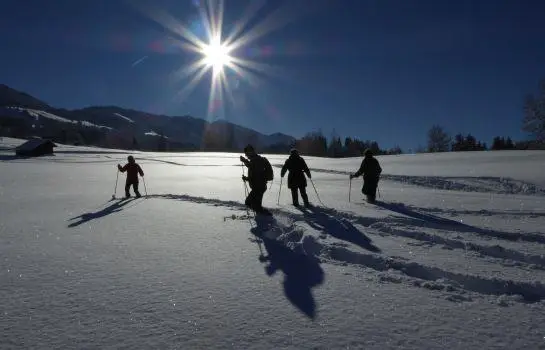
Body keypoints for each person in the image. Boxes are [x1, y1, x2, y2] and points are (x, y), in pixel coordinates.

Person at [240, 144, 273, 215]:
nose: (246, 156)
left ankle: (266, 217)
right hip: (258, 186)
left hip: (259, 187)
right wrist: (247, 178)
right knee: (254, 204)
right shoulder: (254, 160)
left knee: (249, 203)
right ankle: (262, 216)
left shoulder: (258, 160)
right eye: (246, 154)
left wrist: (245, 161)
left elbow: (255, 170)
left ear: (250, 152)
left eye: (246, 154)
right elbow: (255, 175)